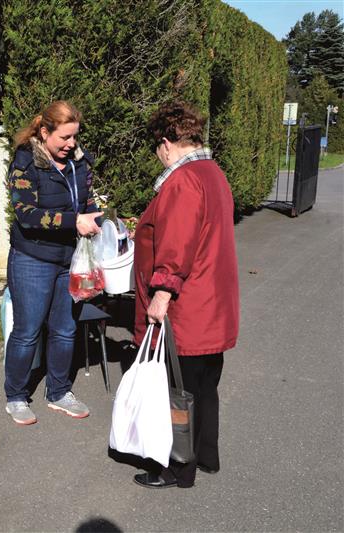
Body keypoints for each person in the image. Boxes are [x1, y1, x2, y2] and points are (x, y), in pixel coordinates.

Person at [132, 100, 240, 488]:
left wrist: (161, 295)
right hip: (214, 304)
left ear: (165, 142)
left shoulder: (182, 180)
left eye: (156, 148)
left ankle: (177, 467)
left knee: (176, 390)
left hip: (188, 307)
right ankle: (207, 455)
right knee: (205, 386)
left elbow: (176, 248)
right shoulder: (213, 172)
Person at [4, 100, 103, 425]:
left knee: (65, 329)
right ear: (44, 132)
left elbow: (85, 200)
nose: (71, 144)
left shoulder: (79, 162)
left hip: (68, 260)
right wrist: (74, 221)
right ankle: (16, 396)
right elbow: (26, 215)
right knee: (28, 331)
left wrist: (97, 218)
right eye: (64, 138)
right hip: (32, 259)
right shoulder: (25, 162)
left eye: (74, 136)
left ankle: (59, 392)